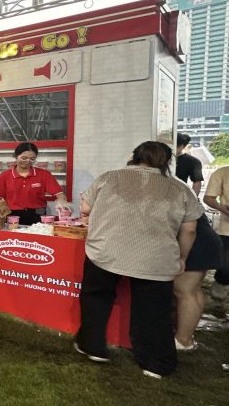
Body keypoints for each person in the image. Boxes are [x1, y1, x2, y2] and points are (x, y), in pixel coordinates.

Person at [75, 142, 204, 379]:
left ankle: (92, 346)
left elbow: (85, 208)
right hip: (155, 257)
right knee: (154, 312)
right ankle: (156, 364)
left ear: (133, 157)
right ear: (167, 162)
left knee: (96, 299)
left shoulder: (110, 178)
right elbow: (189, 229)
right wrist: (182, 257)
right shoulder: (179, 188)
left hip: (105, 251)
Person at [172, 134, 223, 351]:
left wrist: (183, 257)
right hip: (205, 241)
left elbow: (189, 230)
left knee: (184, 291)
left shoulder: (172, 187)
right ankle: (187, 336)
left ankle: (183, 340)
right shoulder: (174, 185)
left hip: (197, 243)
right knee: (192, 291)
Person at [0, 142, 70, 225]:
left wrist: (62, 203)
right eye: (24, 158)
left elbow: (59, 194)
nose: (28, 161)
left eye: (32, 159)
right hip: (12, 215)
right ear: (16, 156)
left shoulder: (44, 174)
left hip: (38, 214)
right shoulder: (5, 175)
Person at [204, 165, 229, 304]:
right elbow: (208, 198)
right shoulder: (222, 173)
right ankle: (220, 290)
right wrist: (222, 208)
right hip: (227, 229)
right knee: (225, 268)